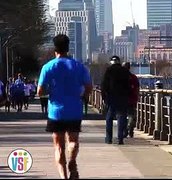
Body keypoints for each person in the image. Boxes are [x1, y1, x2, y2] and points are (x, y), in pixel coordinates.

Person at [37, 34, 92, 179]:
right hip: (74, 110)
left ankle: (64, 177)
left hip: (55, 112)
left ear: (55, 49)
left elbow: (40, 91)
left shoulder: (48, 67)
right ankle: (72, 161)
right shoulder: (79, 66)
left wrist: (51, 91)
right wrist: (83, 95)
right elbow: (89, 86)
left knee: (58, 146)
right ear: (68, 48)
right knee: (73, 141)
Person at [101, 55, 131, 145]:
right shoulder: (124, 71)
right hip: (122, 98)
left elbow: (104, 85)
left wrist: (104, 97)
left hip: (111, 97)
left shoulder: (108, 70)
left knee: (109, 118)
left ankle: (109, 138)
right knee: (121, 117)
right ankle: (120, 138)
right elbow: (128, 85)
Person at [122, 62, 140, 138]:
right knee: (131, 115)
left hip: (123, 100)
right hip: (132, 99)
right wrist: (137, 96)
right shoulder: (134, 77)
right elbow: (137, 88)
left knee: (123, 115)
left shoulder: (121, 78)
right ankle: (131, 129)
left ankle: (125, 130)